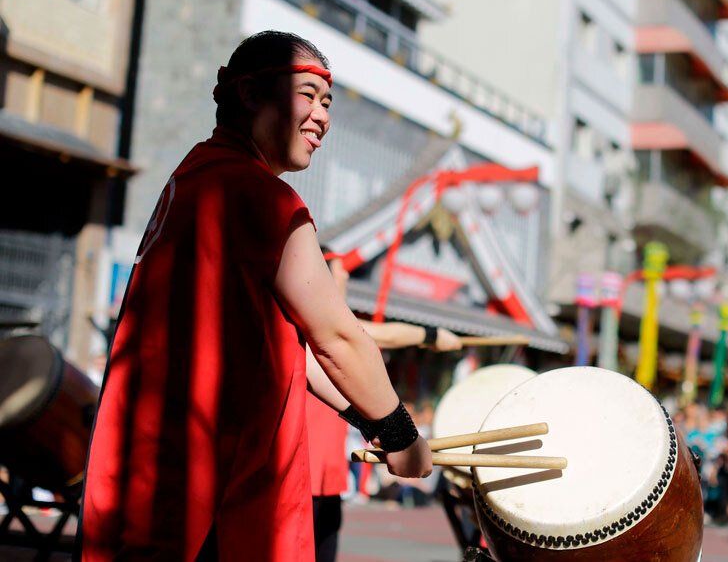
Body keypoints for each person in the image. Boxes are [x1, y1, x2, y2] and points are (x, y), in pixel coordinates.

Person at [79, 31, 432, 560]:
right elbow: (336, 337)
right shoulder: (259, 195)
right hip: (214, 481)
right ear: (249, 94)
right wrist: (401, 432)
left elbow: (289, 345)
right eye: (307, 95)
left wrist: (366, 419)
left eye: (327, 102)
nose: (323, 117)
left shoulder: (193, 177)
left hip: (156, 467)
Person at [307, 260, 461, 561]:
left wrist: (384, 431)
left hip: (326, 474)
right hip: (300, 470)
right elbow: (369, 335)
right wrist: (431, 336)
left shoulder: (323, 325)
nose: (346, 275)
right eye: (338, 270)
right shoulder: (316, 323)